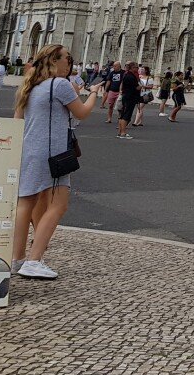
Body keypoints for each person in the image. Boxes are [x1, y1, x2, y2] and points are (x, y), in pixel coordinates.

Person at [12, 44, 103, 279]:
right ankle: (34, 260)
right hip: (53, 154)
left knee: (25, 205)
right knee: (58, 205)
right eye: (66, 58)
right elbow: (81, 113)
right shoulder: (60, 85)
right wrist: (93, 92)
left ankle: (16, 258)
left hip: (29, 151)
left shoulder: (30, 86)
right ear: (53, 60)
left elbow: (17, 121)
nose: (69, 63)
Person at [116, 62, 141, 139]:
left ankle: (120, 132)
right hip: (130, 97)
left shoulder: (127, 75)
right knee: (126, 115)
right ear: (132, 68)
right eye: (136, 67)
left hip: (126, 96)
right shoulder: (131, 76)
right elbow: (135, 88)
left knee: (123, 114)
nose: (137, 69)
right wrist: (140, 87)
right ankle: (123, 132)